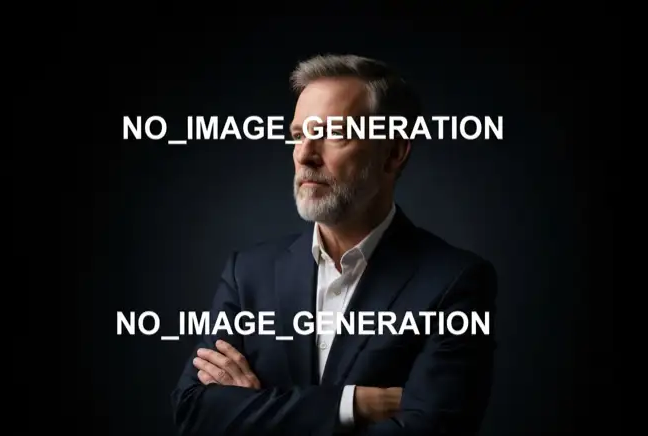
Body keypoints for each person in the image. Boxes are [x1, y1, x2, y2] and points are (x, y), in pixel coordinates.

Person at [170, 54, 497, 436]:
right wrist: (355, 403)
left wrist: (256, 413)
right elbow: (193, 413)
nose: (305, 155)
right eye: (298, 134)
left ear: (393, 153)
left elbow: (432, 429)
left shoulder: (455, 283)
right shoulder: (248, 274)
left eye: (334, 133)